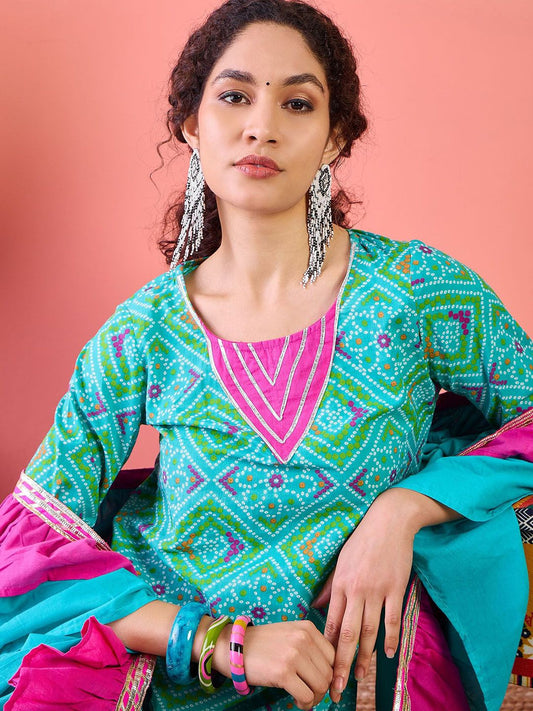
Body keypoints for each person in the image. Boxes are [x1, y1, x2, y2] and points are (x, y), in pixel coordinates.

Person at [1, 0, 532, 709]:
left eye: (297, 103)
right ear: (192, 125)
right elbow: (29, 545)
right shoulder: (145, 329)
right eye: (234, 96)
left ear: (335, 137)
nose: (262, 125)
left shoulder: (416, 289)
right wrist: (224, 643)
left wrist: (405, 508)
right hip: (176, 675)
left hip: (351, 681)